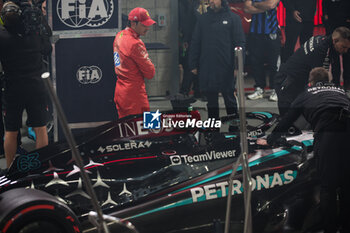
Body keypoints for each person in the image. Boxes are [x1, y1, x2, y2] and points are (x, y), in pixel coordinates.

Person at [259, 67, 350, 233]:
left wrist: (270, 139)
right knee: (346, 184)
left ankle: (330, 228)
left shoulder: (306, 93)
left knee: (328, 186)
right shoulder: (340, 90)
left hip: (330, 133)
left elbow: (287, 120)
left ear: (310, 82)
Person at [0, 1, 51, 168]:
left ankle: (9, 168)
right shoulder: (34, 35)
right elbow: (47, 49)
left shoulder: (2, 37)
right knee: (40, 128)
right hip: (35, 86)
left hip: (12, 88)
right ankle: (42, 167)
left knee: (11, 131)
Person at [189, 0, 245, 121]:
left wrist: (237, 66)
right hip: (208, 67)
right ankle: (213, 134)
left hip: (227, 67)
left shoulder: (233, 18)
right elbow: (195, 42)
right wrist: (193, 64)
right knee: (211, 103)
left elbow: (239, 44)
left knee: (230, 100)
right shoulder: (203, 19)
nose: (211, 1)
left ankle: (234, 130)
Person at [275, 26, 350, 116]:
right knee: (290, 124)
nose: (345, 51)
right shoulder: (321, 49)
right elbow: (319, 80)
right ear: (335, 41)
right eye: (344, 47)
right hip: (287, 83)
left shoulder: (323, 40)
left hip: (297, 82)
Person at [113, 7, 156, 119]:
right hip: (135, 95)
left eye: (148, 25)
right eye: (144, 25)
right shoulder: (135, 43)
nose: (147, 28)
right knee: (146, 130)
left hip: (120, 92)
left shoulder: (119, 35)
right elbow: (150, 73)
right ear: (133, 23)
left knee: (125, 130)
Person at [244, 0, 280, 102]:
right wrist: (264, 7)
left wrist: (255, 4)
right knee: (256, 62)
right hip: (255, 32)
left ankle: (275, 89)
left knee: (274, 63)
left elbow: (271, 4)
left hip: (272, 32)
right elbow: (247, 8)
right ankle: (259, 88)